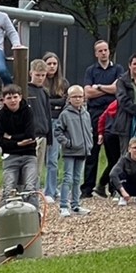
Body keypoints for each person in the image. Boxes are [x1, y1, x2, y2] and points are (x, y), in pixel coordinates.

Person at [82, 40, 120, 200]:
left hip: (113, 113)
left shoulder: (118, 69)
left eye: (105, 50)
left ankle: (113, 187)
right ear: (96, 53)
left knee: (114, 154)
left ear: (109, 52)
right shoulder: (91, 70)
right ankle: (87, 189)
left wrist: (98, 87)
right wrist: (107, 88)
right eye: (100, 51)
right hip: (95, 113)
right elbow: (87, 93)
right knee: (92, 152)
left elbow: (117, 89)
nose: (103, 53)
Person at [0, 84, 39, 208]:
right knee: (8, 188)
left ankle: (34, 217)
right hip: (10, 156)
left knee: (30, 188)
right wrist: (17, 143)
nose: (12, 100)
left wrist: (10, 137)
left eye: (15, 97)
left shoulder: (28, 111)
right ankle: (5, 217)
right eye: (9, 98)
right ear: (4, 100)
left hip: (29, 154)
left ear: (20, 97)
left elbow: (30, 135)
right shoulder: (1, 115)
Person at [53, 85, 92, 217]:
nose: (78, 99)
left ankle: (76, 204)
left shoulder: (86, 113)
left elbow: (89, 130)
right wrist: (67, 143)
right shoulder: (65, 114)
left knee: (77, 179)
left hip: (83, 150)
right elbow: (58, 131)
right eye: (74, 96)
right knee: (68, 178)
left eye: (80, 96)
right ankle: (64, 205)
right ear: (69, 99)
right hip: (70, 151)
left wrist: (89, 144)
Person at [42, 51, 69, 203]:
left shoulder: (63, 83)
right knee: (44, 157)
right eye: (49, 63)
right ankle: (48, 189)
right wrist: (54, 104)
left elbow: (64, 102)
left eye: (54, 64)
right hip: (42, 123)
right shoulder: (40, 83)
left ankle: (51, 189)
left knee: (54, 157)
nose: (52, 67)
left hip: (57, 123)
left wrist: (51, 104)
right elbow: (42, 103)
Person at [26, 57, 54, 203]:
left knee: (38, 170)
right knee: (30, 169)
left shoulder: (44, 92)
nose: (40, 78)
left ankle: (34, 196)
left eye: (43, 75)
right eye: (38, 75)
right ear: (31, 73)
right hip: (32, 135)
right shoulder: (25, 90)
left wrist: (50, 137)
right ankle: (29, 197)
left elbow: (47, 114)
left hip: (43, 134)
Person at [110, 138, 136, 205]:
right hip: (126, 186)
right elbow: (113, 174)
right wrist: (122, 191)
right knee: (116, 175)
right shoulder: (123, 160)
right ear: (129, 149)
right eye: (134, 148)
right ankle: (122, 196)